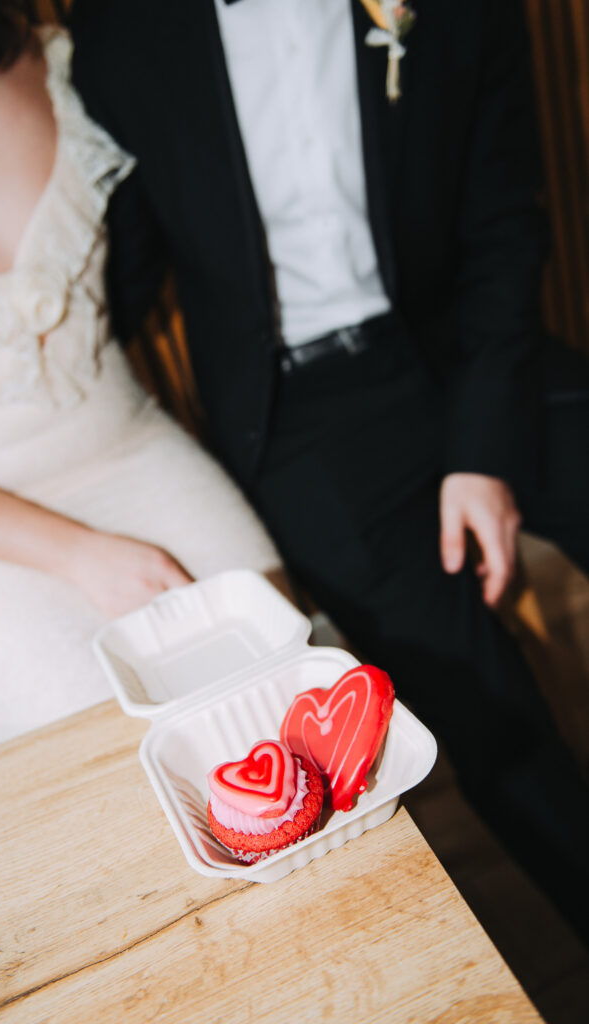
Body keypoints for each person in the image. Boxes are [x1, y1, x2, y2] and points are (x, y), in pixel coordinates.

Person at [70, 0, 589, 943]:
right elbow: (118, 262)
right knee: (483, 711)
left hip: (463, 342)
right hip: (302, 419)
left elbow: (505, 220)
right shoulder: (120, 36)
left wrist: (479, 452)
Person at [0, 1, 283, 746]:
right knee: (125, 758)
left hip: (131, 450)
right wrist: (77, 553)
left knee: (281, 688)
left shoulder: (46, 56)